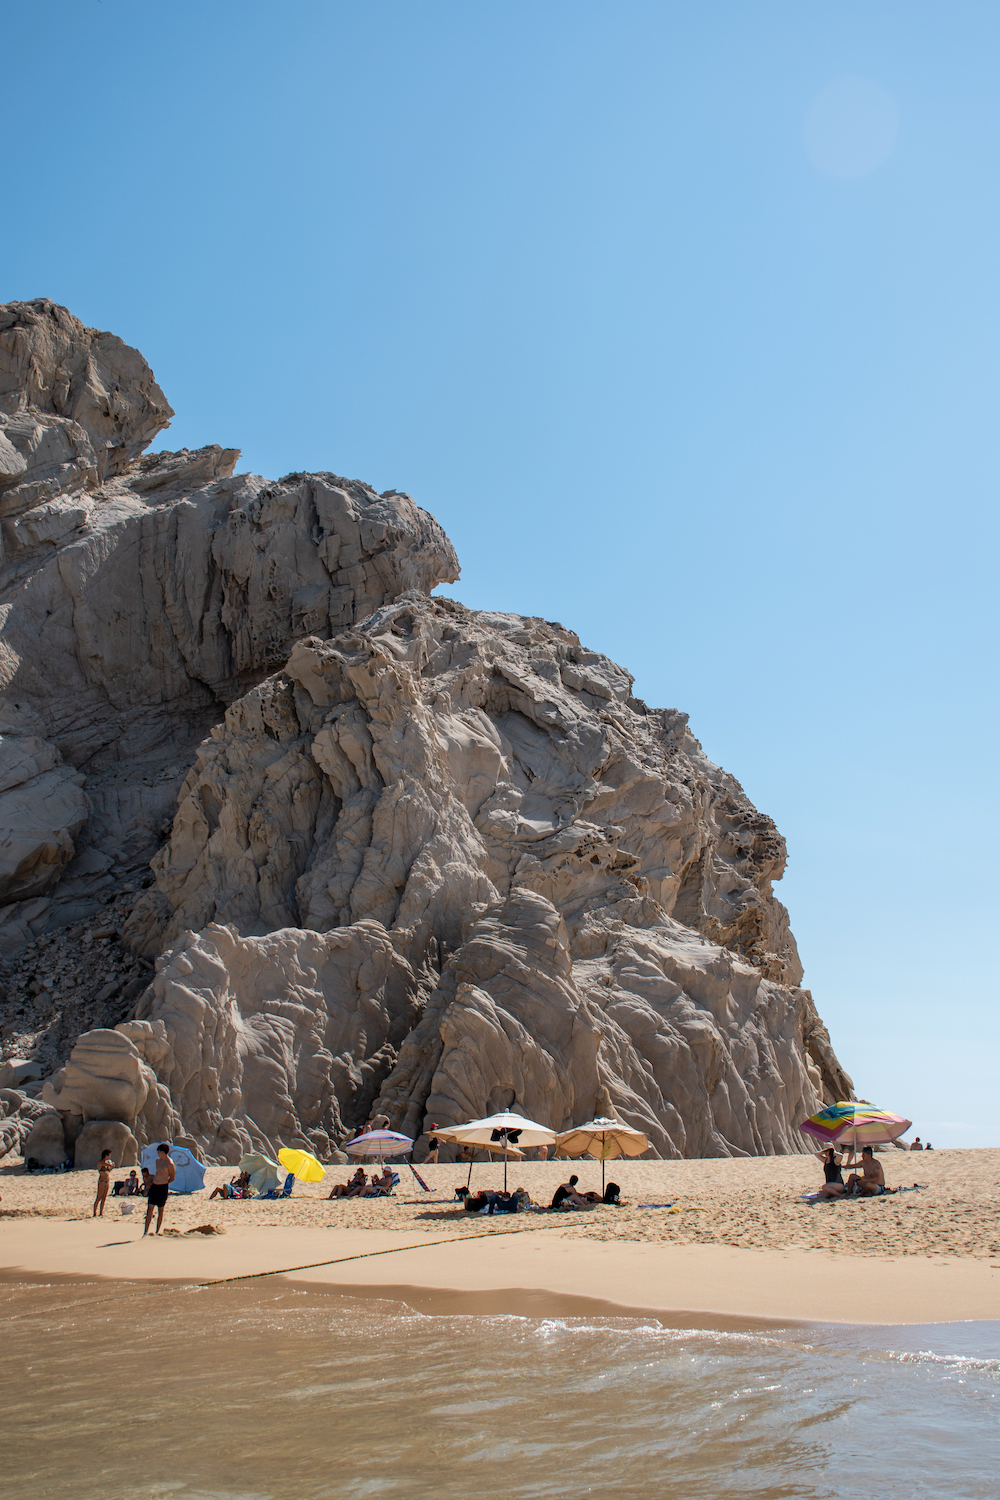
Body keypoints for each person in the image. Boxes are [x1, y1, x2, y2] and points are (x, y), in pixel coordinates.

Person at [143, 1144, 176, 1235]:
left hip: (162, 1187)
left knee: (160, 1209)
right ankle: (145, 1231)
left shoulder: (169, 1163)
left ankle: (157, 1231)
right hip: (154, 1186)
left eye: (159, 1151)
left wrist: (164, 1182)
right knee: (149, 1208)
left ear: (163, 1152)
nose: (157, 1153)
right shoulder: (157, 1161)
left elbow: (172, 1177)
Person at [93, 1151, 114, 1217]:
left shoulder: (106, 1163)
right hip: (101, 1181)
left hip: (106, 1181)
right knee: (99, 1197)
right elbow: (107, 1165)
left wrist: (111, 1168)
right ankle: (94, 1212)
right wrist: (111, 1165)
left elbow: (108, 1170)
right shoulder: (101, 1162)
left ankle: (101, 1212)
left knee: (104, 1198)